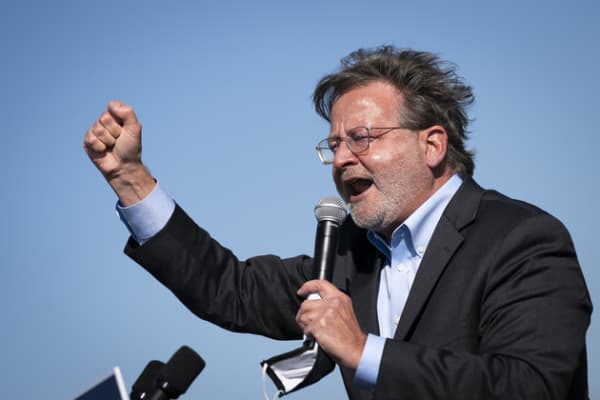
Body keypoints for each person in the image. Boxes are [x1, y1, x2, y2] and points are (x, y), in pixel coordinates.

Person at [83, 46, 592, 399]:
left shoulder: (522, 239)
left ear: (432, 144)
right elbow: (230, 288)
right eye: (334, 145)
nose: (343, 159)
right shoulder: (351, 252)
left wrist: (364, 352)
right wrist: (130, 179)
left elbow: (531, 386)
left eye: (362, 138)